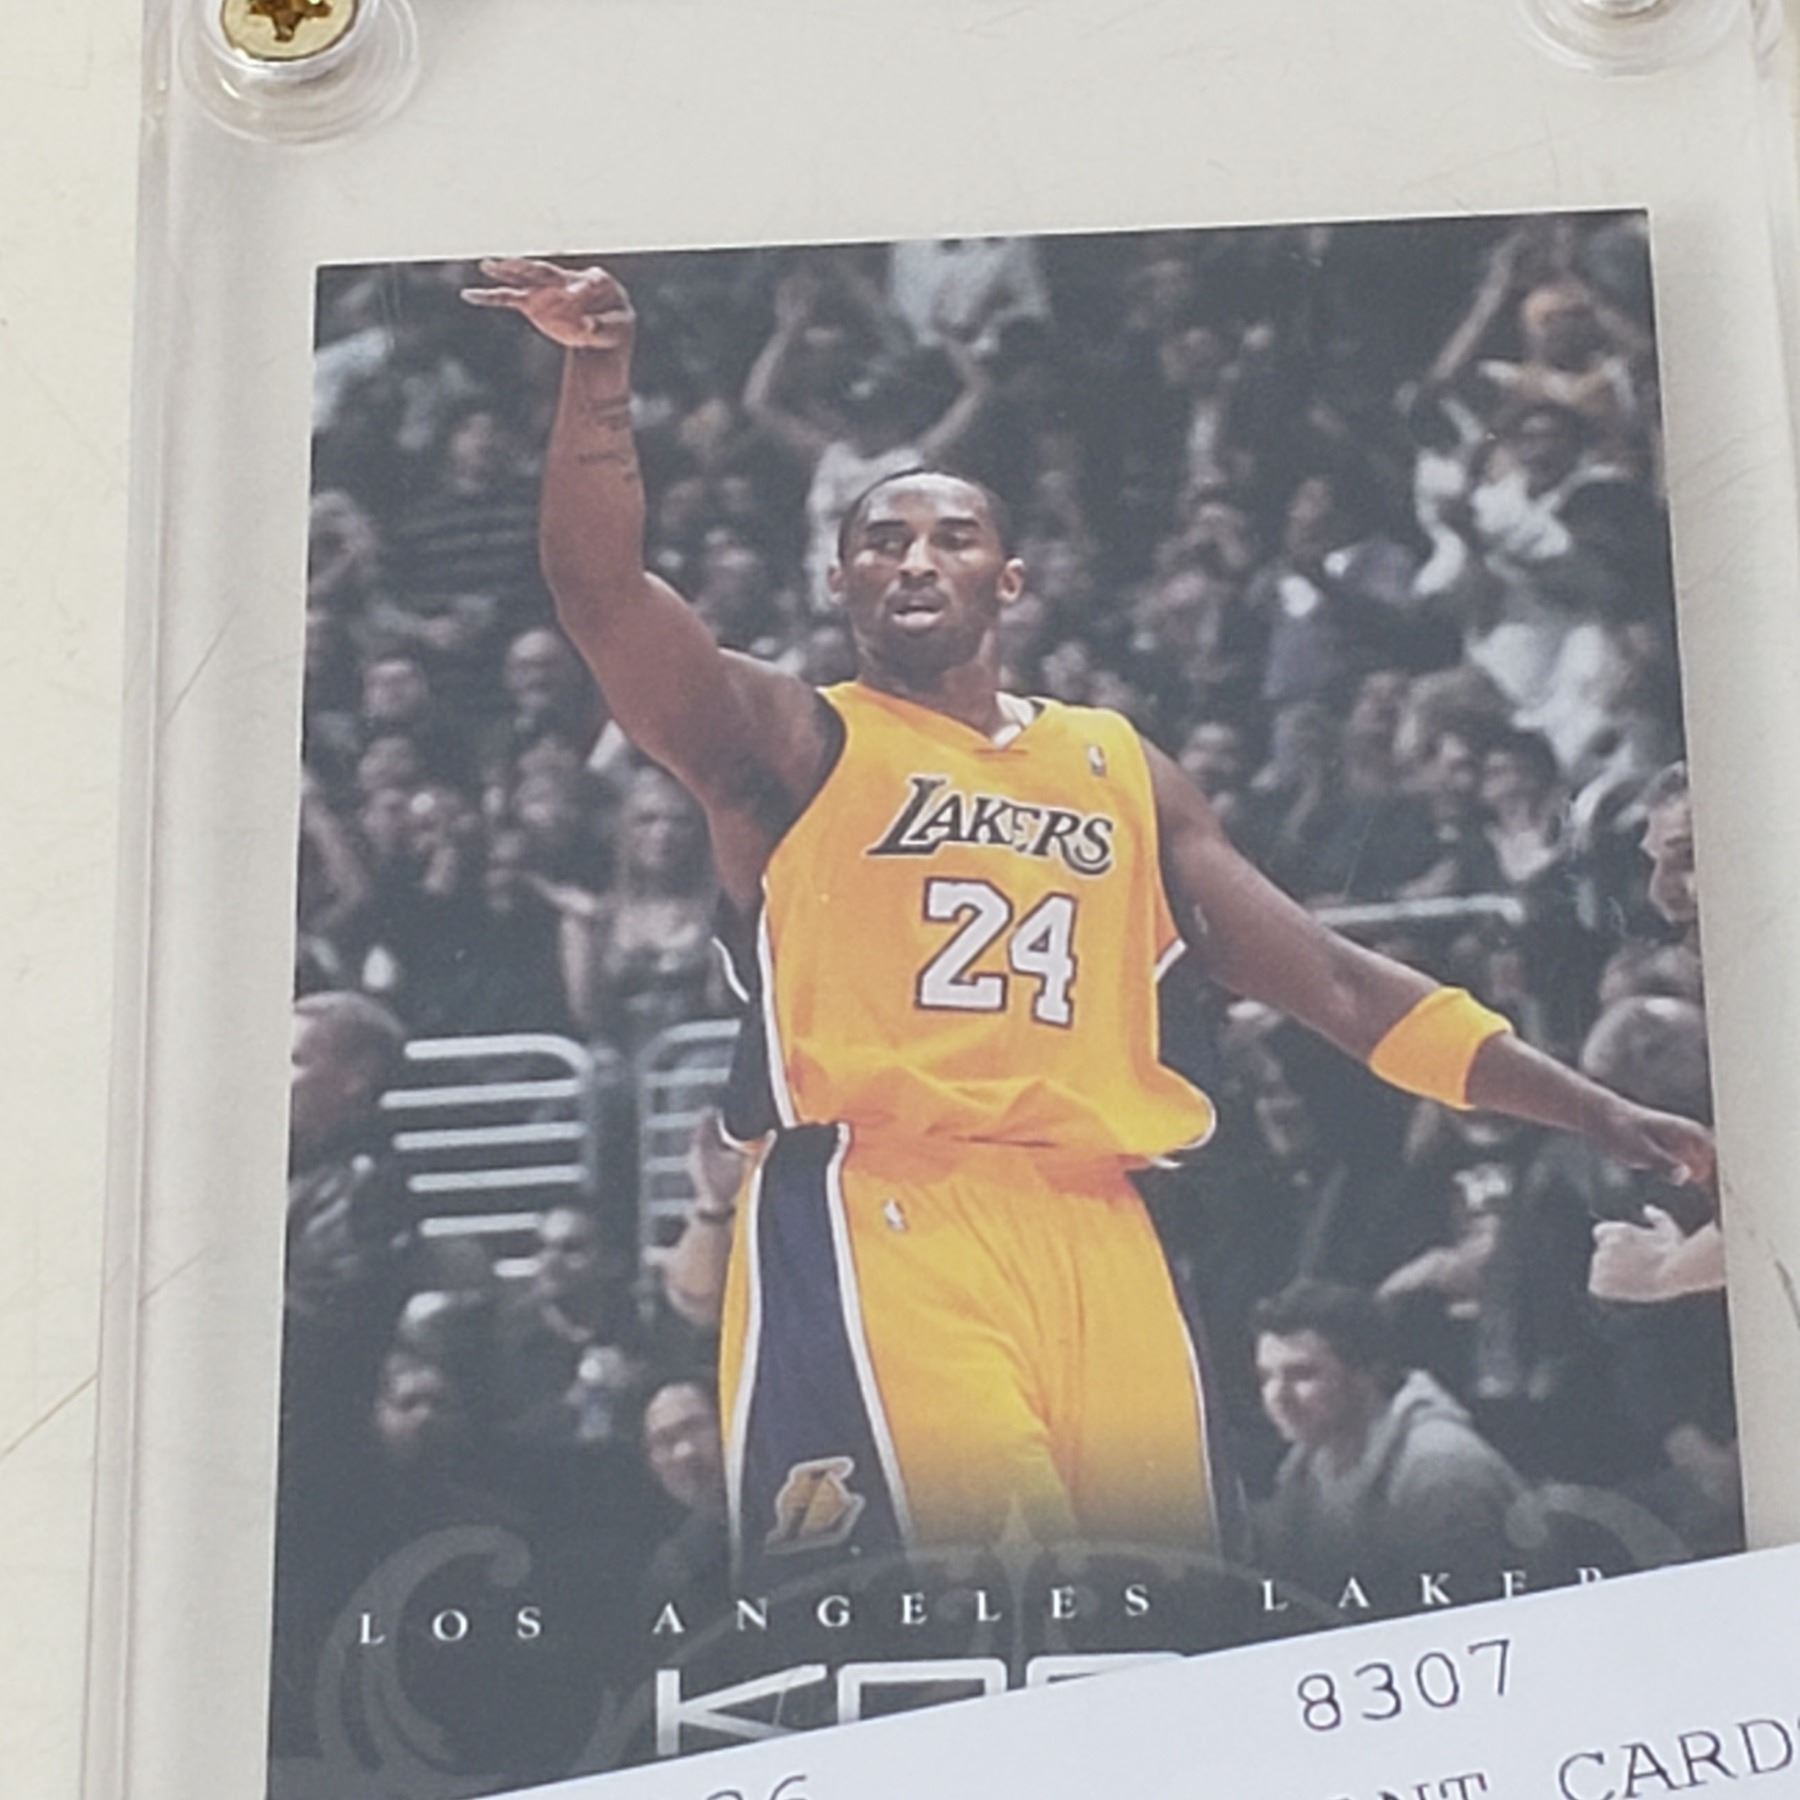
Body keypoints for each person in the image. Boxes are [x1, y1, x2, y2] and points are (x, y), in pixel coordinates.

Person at [461, 258, 1712, 1579]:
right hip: (881, 1201)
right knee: (960, 1613)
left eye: (952, 536)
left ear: (1011, 580)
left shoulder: (1119, 765)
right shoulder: (793, 735)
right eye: (881, 541)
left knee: (1161, 1619)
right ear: (840, 587)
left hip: (1099, 1212)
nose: (915, 557)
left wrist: (1591, 1106)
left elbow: (1338, 985)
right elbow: (601, 597)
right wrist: (598, 380)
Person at [1253, 1280, 1528, 1600]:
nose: (1278, 1396)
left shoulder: (1442, 1474)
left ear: (1368, 1373)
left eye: (1302, 1374)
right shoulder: (1306, 1466)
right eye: (1266, 1377)